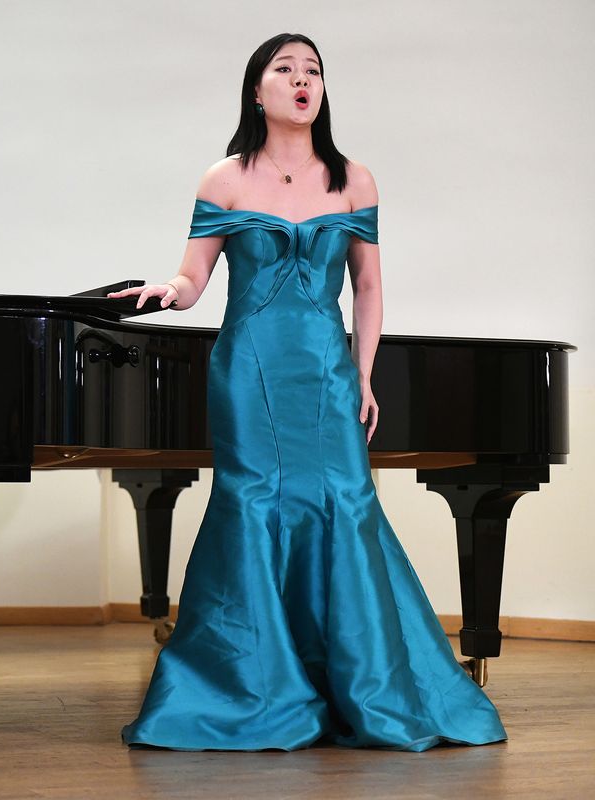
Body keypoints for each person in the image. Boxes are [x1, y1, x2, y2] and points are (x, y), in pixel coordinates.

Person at [113, 34, 506, 751]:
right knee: (253, 503)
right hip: (249, 369)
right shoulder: (225, 178)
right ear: (256, 90)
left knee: (345, 504)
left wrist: (363, 372)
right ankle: (256, 687)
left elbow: (369, 286)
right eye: (285, 69)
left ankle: (363, 682)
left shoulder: (354, 179)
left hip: (326, 371)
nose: (302, 80)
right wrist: (168, 290)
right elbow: (194, 277)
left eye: (314, 71)